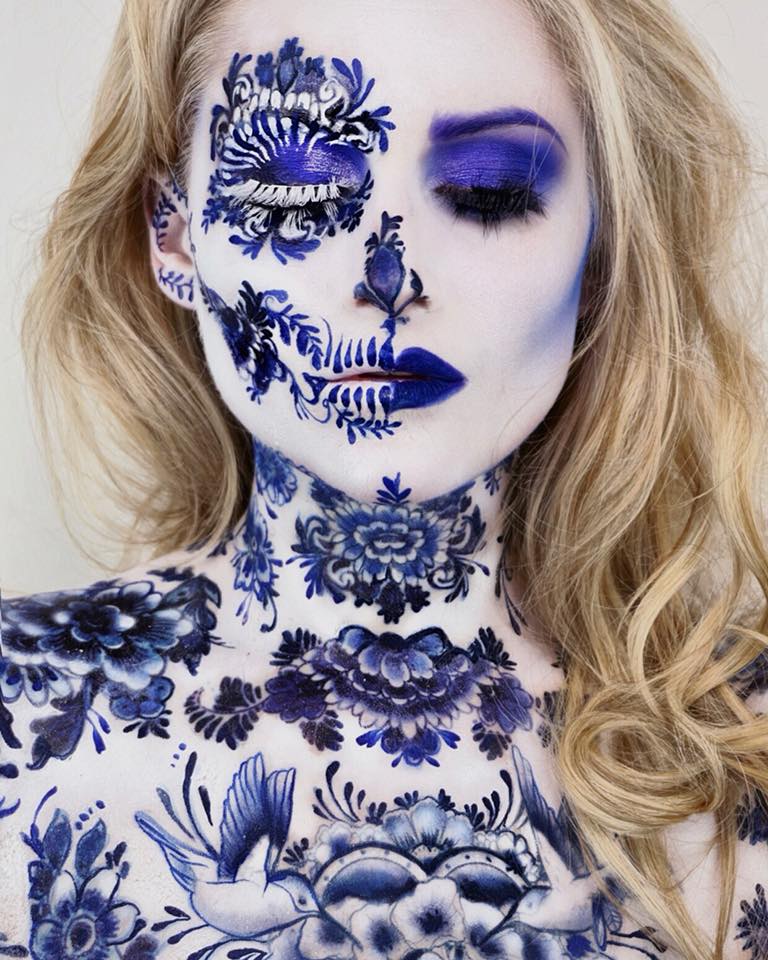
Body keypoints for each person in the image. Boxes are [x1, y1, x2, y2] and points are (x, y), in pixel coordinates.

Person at [1, 0, 767, 957]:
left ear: (602, 239)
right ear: (176, 236)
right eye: (293, 194)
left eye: (489, 192)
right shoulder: (17, 720)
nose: (389, 276)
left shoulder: (744, 752)